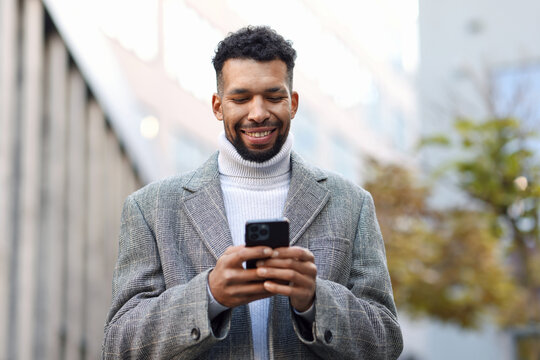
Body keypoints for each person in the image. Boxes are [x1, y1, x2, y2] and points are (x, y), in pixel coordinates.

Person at [102, 26, 403, 359]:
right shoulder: (151, 208)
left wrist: (316, 300)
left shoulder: (351, 204)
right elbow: (119, 345)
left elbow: (386, 342)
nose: (258, 113)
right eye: (241, 98)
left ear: (294, 102)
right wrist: (209, 296)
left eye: (274, 97)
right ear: (218, 106)